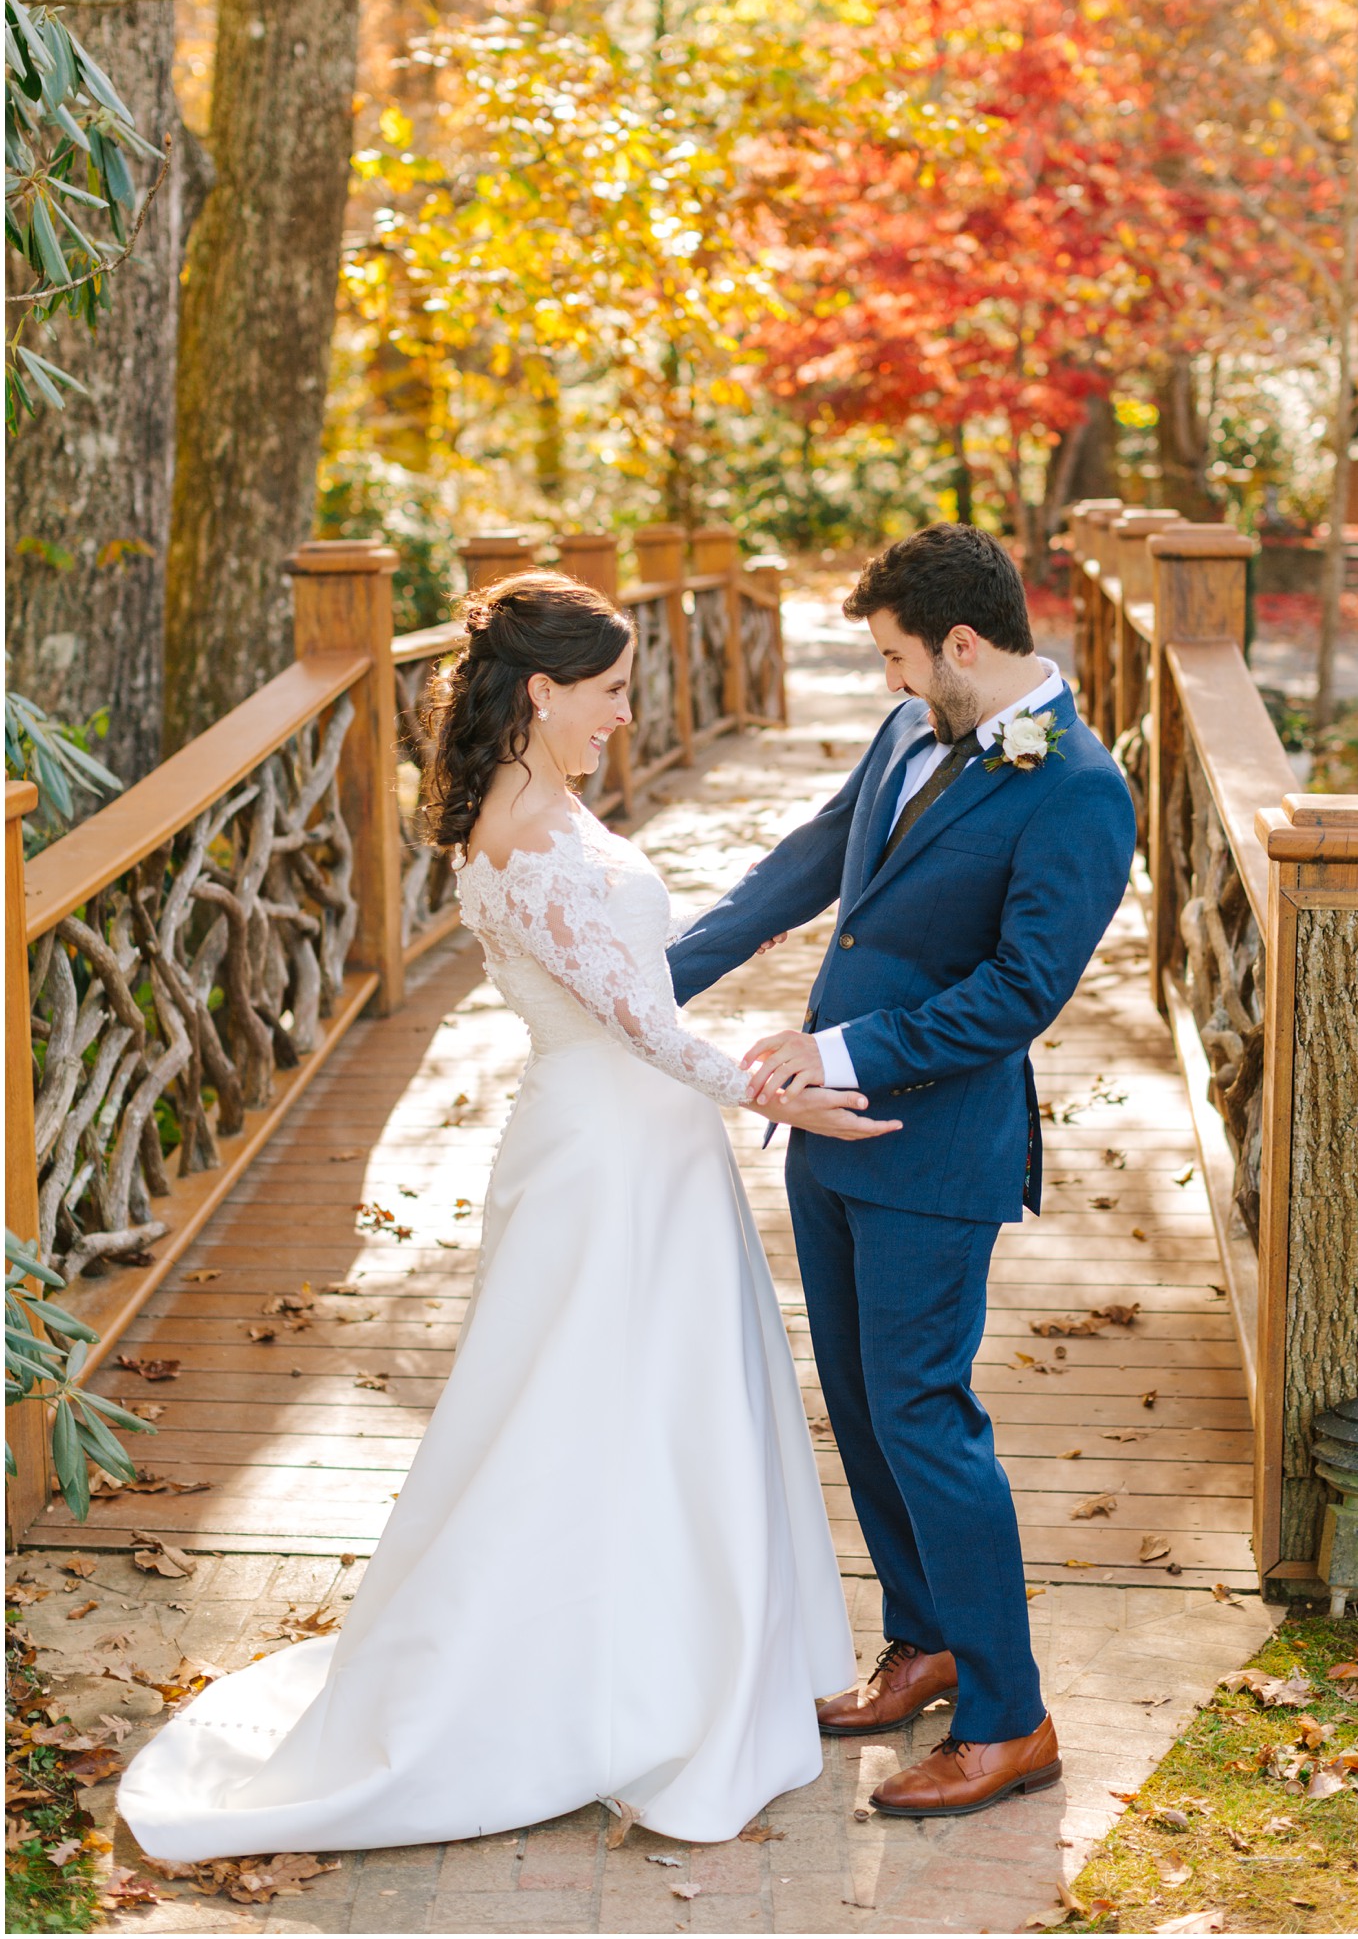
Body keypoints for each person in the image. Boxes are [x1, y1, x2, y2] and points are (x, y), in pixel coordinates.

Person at [116, 572, 894, 1858]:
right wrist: (776, 1094)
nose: (627, 714)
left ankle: (676, 1654)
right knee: (589, 1405)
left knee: (665, 1402)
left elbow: (625, 975)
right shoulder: (525, 836)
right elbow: (638, 1023)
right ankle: (593, 1690)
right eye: (609, 692)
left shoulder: (537, 805)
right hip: (606, 1153)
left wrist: (710, 970)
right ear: (542, 689)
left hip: (643, 1139)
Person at [668, 524, 1136, 1818]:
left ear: (963, 646)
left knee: (927, 1413)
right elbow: (814, 865)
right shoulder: (905, 730)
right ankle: (923, 1640)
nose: (884, 680)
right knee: (867, 1408)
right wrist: (651, 983)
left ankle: (1008, 1714)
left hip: (932, 1148)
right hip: (824, 1136)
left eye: (892, 657)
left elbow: (1017, 995)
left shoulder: (1081, 789)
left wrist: (841, 1047)